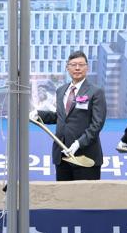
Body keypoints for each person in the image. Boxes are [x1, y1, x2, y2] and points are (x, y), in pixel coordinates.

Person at [32, 51, 106, 181]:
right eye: (73, 65)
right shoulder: (61, 91)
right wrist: (38, 114)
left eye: (81, 65)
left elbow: (97, 124)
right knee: (63, 193)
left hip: (85, 156)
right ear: (67, 68)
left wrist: (79, 143)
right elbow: (61, 117)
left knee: (85, 194)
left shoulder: (96, 92)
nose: (77, 68)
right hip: (62, 155)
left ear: (87, 68)